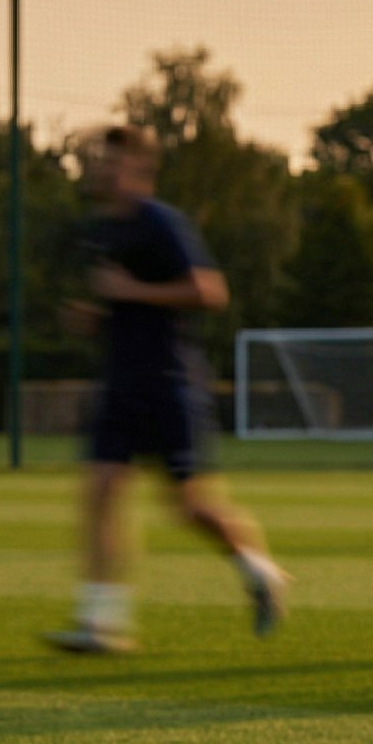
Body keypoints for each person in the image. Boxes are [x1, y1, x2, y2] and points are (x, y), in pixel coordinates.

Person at [40, 124, 287, 654]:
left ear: (140, 169)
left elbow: (209, 291)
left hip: (169, 384)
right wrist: (99, 316)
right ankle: (100, 624)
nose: (103, 169)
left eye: (114, 161)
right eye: (99, 160)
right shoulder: (102, 229)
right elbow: (127, 306)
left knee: (191, 507)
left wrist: (132, 290)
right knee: (100, 492)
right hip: (120, 383)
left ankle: (260, 569)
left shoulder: (161, 221)